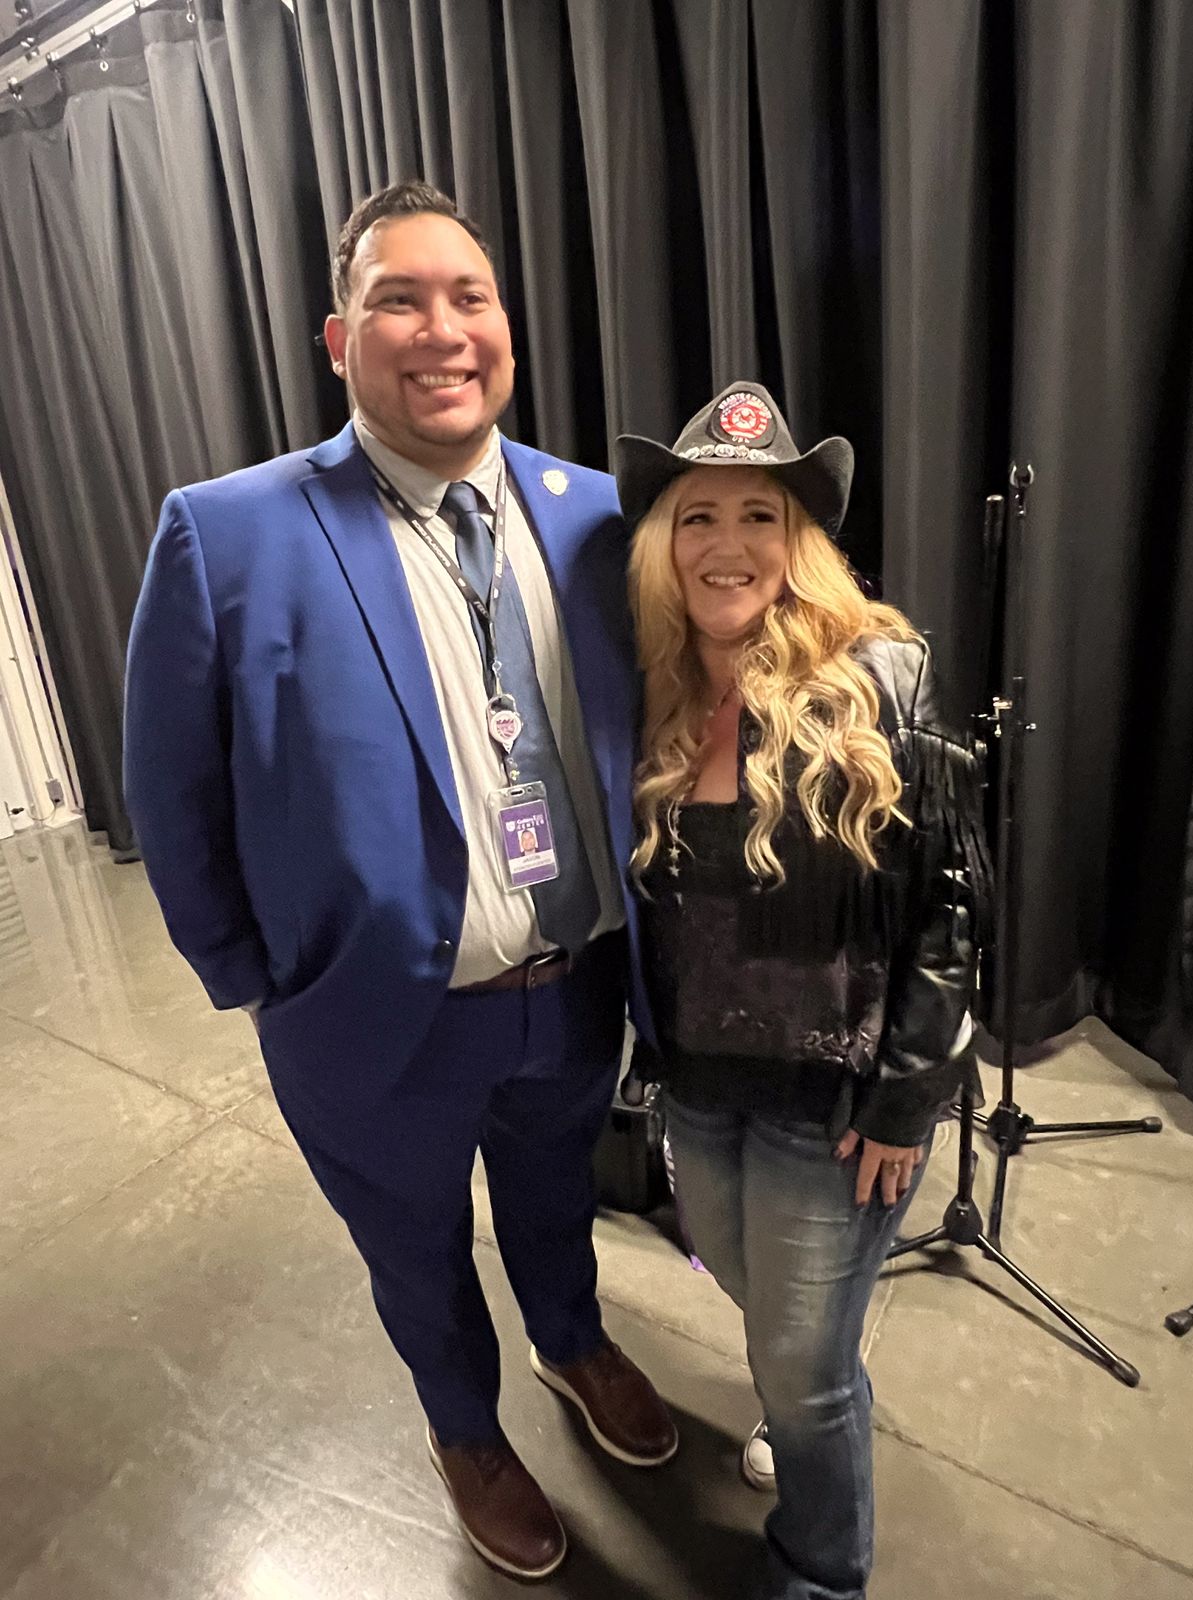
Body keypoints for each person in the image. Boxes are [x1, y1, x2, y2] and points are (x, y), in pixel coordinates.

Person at [124, 180, 676, 1583]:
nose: (442, 329)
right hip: (374, 1017)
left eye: (469, 296)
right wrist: (260, 983)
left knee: (556, 1197)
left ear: (507, 325)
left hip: (574, 989)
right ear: (338, 338)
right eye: (398, 299)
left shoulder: (601, 518)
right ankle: (463, 1431)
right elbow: (172, 795)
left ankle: (570, 1341)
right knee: (415, 1248)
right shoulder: (226, 535)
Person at [616, 381, 988, 1600]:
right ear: (665, 543)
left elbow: (952, 901)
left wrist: (907, 1097)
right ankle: (808, 1395)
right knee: (753, 1297)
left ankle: (821, 1572)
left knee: (800, 1359)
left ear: (799, 540)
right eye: (699, 515)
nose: (727, 544)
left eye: (758, 516)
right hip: (700, 1084)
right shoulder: (655, 687)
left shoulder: (879, 673)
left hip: (834, 1100)